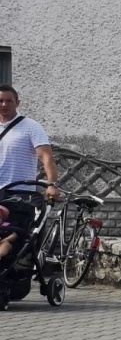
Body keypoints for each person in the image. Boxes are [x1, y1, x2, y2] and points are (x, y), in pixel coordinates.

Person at [0, 84, 60, 235]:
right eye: (0, 101)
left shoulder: (31, 127)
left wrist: (51, 184)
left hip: (20, 193)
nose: (4, 105)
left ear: (17, 103)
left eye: (9, 101)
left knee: (15, 235)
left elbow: (46, 156)